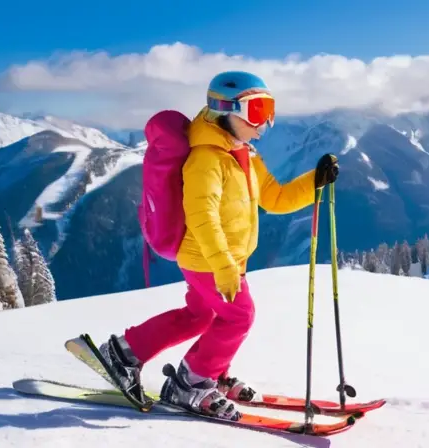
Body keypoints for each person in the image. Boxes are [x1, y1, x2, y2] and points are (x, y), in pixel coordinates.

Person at [97, 71, 339, 421]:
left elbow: (275, 197)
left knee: (200, 316)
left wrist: (313, 182)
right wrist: (224, 266)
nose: (266, 122)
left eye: (270, 109)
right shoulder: (206, 160)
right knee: (240, 315)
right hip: (208, 260)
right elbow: (201, 217)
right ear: (227, 109)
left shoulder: (243, 155)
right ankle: (192, 384)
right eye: (258, 111)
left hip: (222, 260)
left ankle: (124, 353)